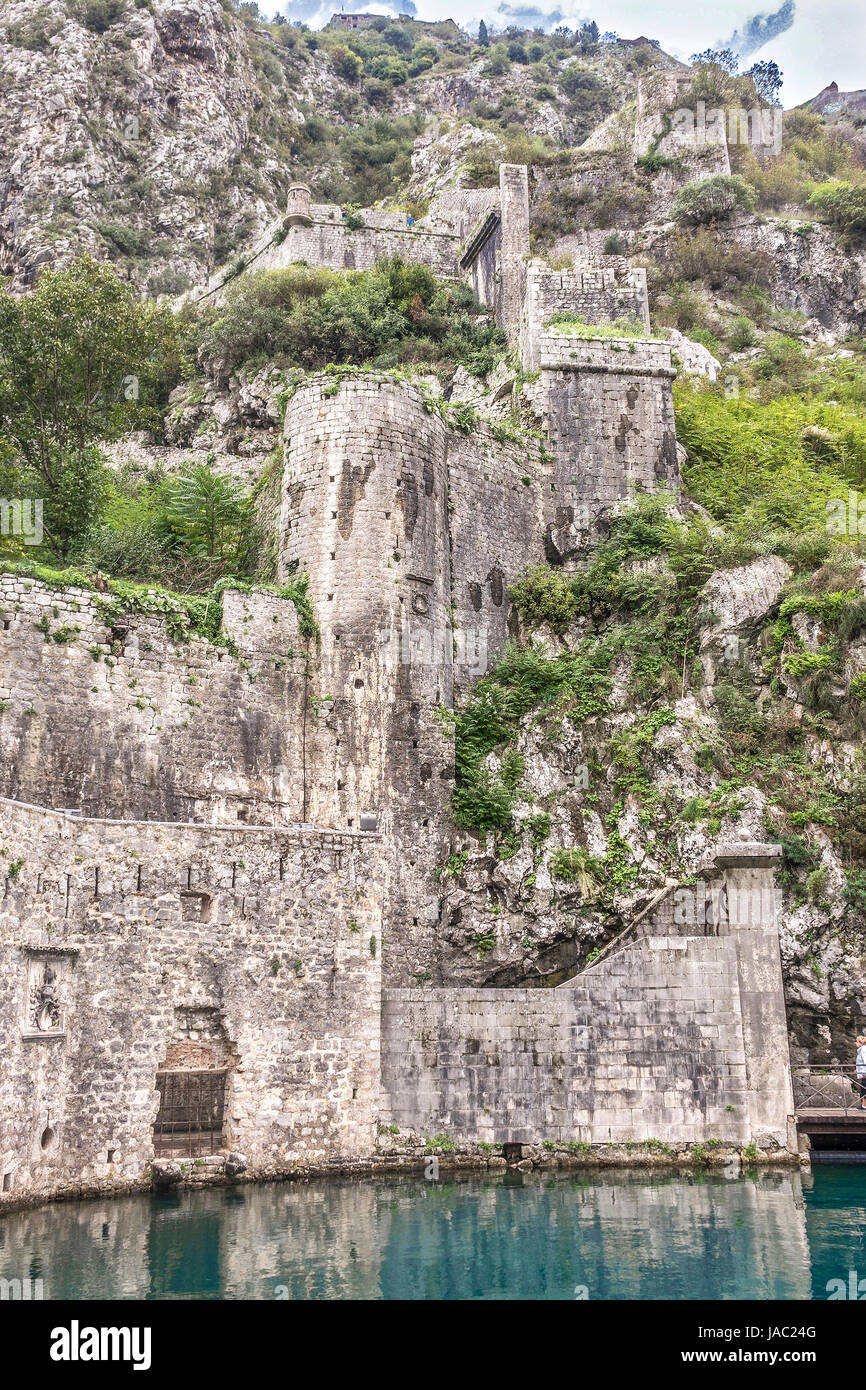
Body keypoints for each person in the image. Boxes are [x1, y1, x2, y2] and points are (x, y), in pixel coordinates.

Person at [857, 1035, 866, 1109]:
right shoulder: (862, 1050)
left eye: (857, 1042)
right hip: (863, 1072)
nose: (856, 1043)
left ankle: (864, 1105)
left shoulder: (863, 1049)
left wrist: (864, 1072)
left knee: (864, 1089)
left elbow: (865, 1060)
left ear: (861, 1043)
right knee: (863, 1088)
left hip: (865, 1073)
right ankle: (863, 1105)